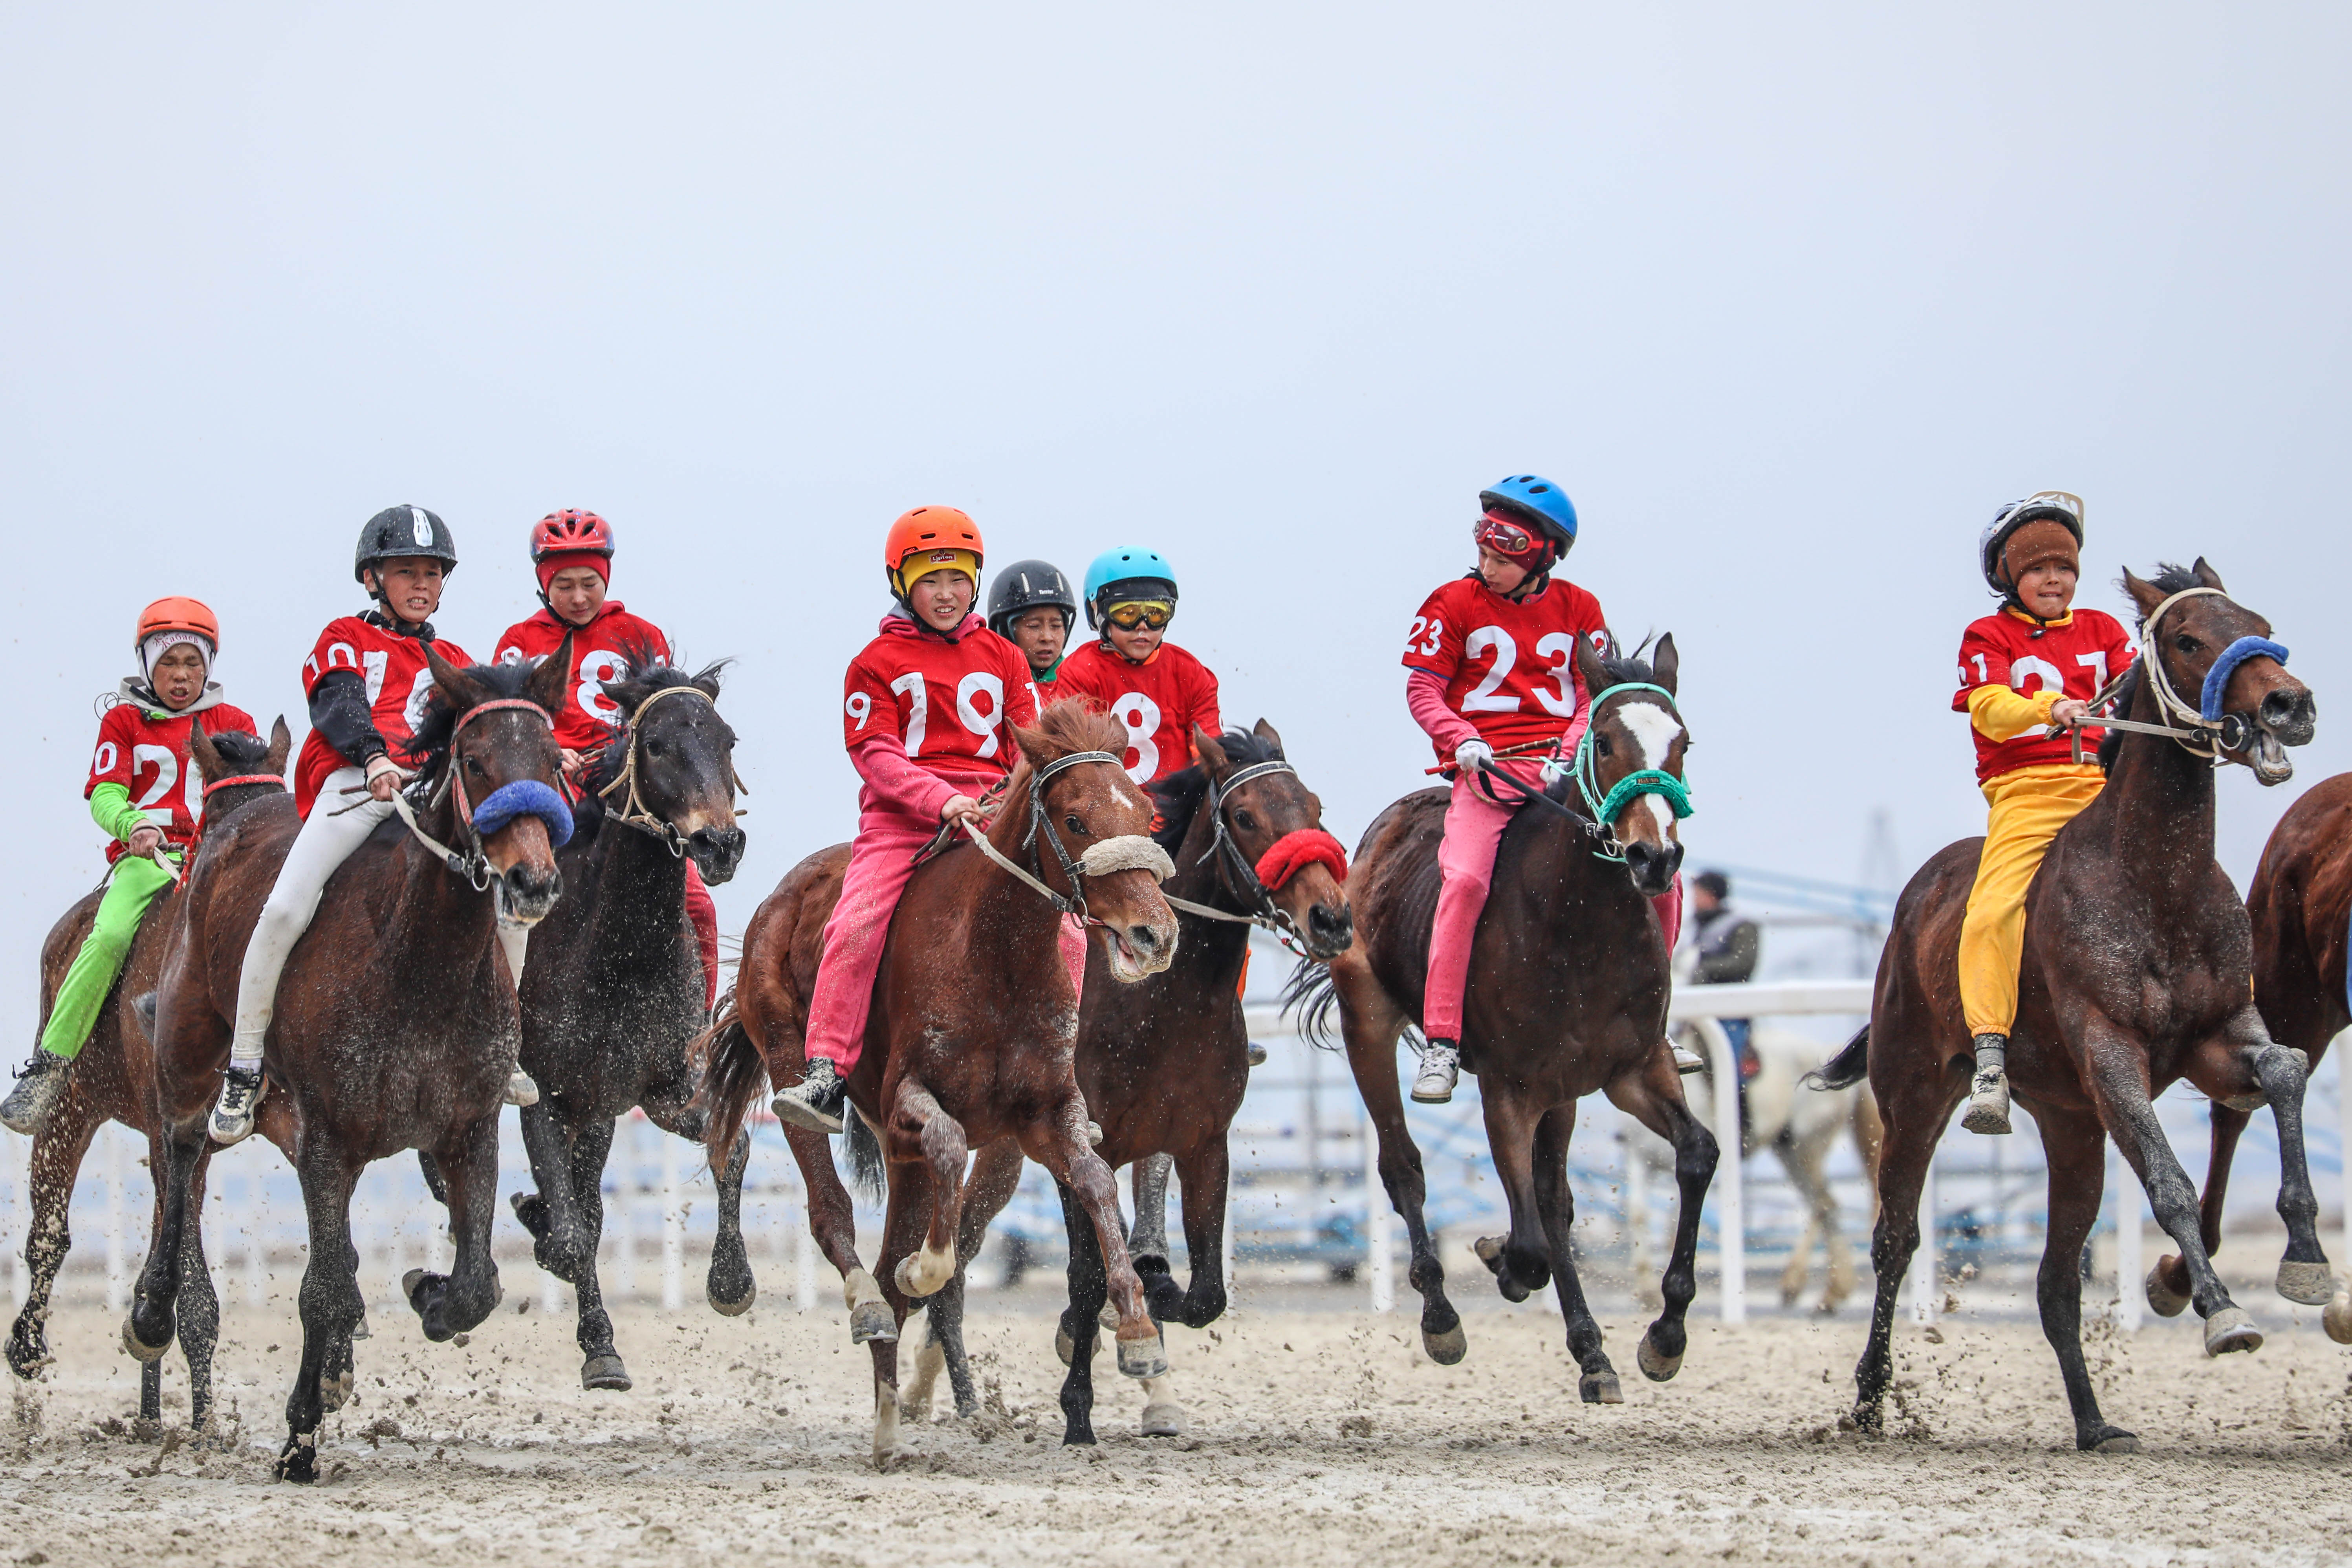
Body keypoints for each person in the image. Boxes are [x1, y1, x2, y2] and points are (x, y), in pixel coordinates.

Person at [210, 505, 535, 1144]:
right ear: (372, 580)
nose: (421, 584)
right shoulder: (344, 636)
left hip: (431, 799)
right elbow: (338, 702)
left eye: (431, 574)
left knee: (516, 903)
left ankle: (504, 1046)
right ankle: (246, 1064)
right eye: (406, 572)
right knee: (282, 909)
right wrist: (374, 755)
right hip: (357, 786)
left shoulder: (457, 659)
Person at [772, 506, 1084, 1133]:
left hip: (993, 818)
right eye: (930, 580)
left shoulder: (1003, 655)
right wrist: (938, 799)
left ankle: (1060, 1072)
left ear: (975, 581)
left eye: (959, 579)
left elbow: (1026, 745)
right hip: (904, 824)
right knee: (854, 925)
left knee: (1072, 930)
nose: (946, 594)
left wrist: (1004, 800)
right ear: (902, 583)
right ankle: (827, 1072)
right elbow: (874, 753)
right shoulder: (873, 661)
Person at [1400, 474, 1683, 1104]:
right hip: (1485, 769)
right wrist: (1460, 736)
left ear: (1543, 558)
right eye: (1485, 554)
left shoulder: (1582, 607)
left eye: (1502, 559)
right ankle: (1443, 1041)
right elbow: (1422, 688)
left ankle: (1654, 1025)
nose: (1487, 567)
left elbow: (1597, 696)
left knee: (1663, 874)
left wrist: (1567, 748)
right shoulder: (1450, 602)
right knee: (1467, 881)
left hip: (1566, 771)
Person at [0, 600, 256, 1135]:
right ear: (146, 664)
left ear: (208, 665)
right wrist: (132, 826)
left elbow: (253, 793)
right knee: (111, 934)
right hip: (150, 861)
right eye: (168, 663)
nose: (180, 675)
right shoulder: (124, 721)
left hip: (215, 861)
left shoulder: (234, 724)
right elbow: (105, 795)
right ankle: (49, 1067)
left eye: (192, 662)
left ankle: (263, 1069)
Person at [1952, 492, 2130, 1134]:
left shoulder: (2108, 631)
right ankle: (1990, 1057)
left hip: (2101, 787)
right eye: (2037, 568)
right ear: (2008, 575)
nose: (2053, 579)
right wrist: (2045, 707)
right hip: (2025, 792)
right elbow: (1989, 707)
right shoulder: (1986, 635)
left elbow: (2135, 691)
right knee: (1990, 911)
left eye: (2064, 567)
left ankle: (2238, 1023)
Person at [493, 509, 719, 1011]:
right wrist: (553, 751)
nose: (578, 597)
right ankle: (505, 1012)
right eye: (565, 585)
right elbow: (511, 723)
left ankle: (698, 1023)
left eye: (589, 583)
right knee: (509, 895)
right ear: (543, 585)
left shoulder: (642, 634)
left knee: (698, 904)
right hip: (556, 786)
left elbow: (665, 721)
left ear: (607, 578)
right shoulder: (520, 641)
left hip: (627, 792)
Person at [1051, 548, 1222, 787]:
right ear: (1097, 612)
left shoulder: (1190, 673)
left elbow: (1211, 759)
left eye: (1156, 613)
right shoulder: (1081, 671)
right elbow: (1080, 762)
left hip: (1179, 817)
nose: (1143, 626)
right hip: (1109, 813)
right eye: (1127, 613)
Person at [1685, 870, 1761, 1127]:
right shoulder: (1695, 927)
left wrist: (1704, 969)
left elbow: (1744, 964)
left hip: (1728, 1012)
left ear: (1712, 895)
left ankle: (1741, 1126)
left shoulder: (1741, 926)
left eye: (1700, 893)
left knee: (1727, 1063)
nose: (1695, 899)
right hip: (1696, 1008)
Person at [986, 558, 1079, 702]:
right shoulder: (990, 686)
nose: (1047, 637)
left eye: (1056, 626)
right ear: (1005, 631)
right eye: (1034, 626)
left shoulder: (1081, 686)